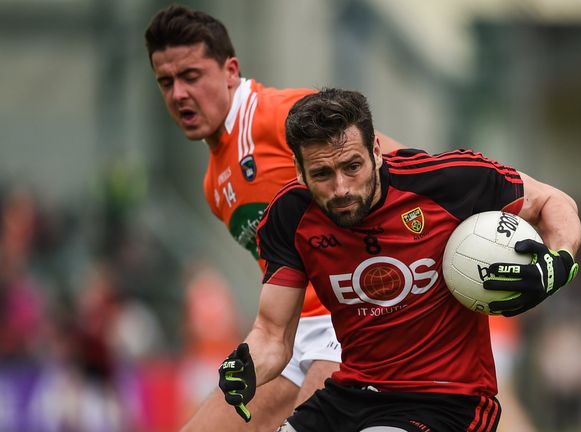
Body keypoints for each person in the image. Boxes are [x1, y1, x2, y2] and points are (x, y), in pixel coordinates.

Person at [217, 88, 581, 431]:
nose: (341, 187)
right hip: (352, 392)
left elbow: (553, 202)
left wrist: (559, 261)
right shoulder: (288, 217)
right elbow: (272, 335)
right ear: (298, 171)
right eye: (322, 174)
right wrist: (247, 367)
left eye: (352, 166)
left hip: (448, 401)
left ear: (376, 151)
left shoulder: (447, 181)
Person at [143, 6, 404, 431]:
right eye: (166, 82)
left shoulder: (276, 114)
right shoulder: (214, 183)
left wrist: (515, 199)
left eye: (191, 76)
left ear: (230, 70)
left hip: (355, 322)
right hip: (294, 340)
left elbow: (408, 165)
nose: (178, 95)